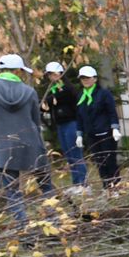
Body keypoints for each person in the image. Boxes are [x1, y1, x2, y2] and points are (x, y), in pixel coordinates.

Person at [0, 55, 54, 225]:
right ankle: (54, 221)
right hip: (31, 142)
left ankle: (23, 228)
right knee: (45, 184)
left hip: (4, 144)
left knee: (12, 190)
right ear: (17, 71)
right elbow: (36, 121)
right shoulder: (29, 91)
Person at [73, 66, 123, 191]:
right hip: (92, 135)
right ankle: (106, 186)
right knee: (99, 162)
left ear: (94, 79)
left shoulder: (104, 94)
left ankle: (115, 186)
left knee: (110, 161)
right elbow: (79, 116)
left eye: (88, 78)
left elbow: (112, 112)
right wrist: (79, 134)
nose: (85, 80)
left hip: (106, 133)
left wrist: (115, 128)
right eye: (83, 78)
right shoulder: (81, 96)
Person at [41, 61, 86, 192]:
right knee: (69, 154)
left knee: (75, 153)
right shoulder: (53, 89)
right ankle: (76, 183)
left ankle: (83, 184)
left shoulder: (66, 89)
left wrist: (48, 100)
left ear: (61, 74)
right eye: (49, 74)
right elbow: (47, 106)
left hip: (71, 123)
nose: (52, 77)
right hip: (61, 124)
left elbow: (56, 98)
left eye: (54, 74)